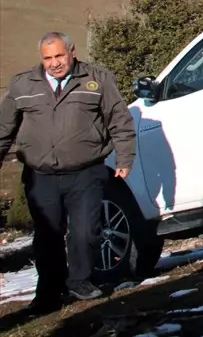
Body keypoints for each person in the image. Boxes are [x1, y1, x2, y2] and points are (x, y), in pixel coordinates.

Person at [0, 32, 135, 313]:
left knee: (86, 230)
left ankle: (80, 280)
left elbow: (118, 119)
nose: (54, 63)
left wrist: (125, 156)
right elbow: (4, 128)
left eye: (59, 56)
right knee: (48, 234)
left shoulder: (97, 78)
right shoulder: (23, 83)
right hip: (41, 175)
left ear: (72, 52)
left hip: (86, 171)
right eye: (48, 58)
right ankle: (49, 291)